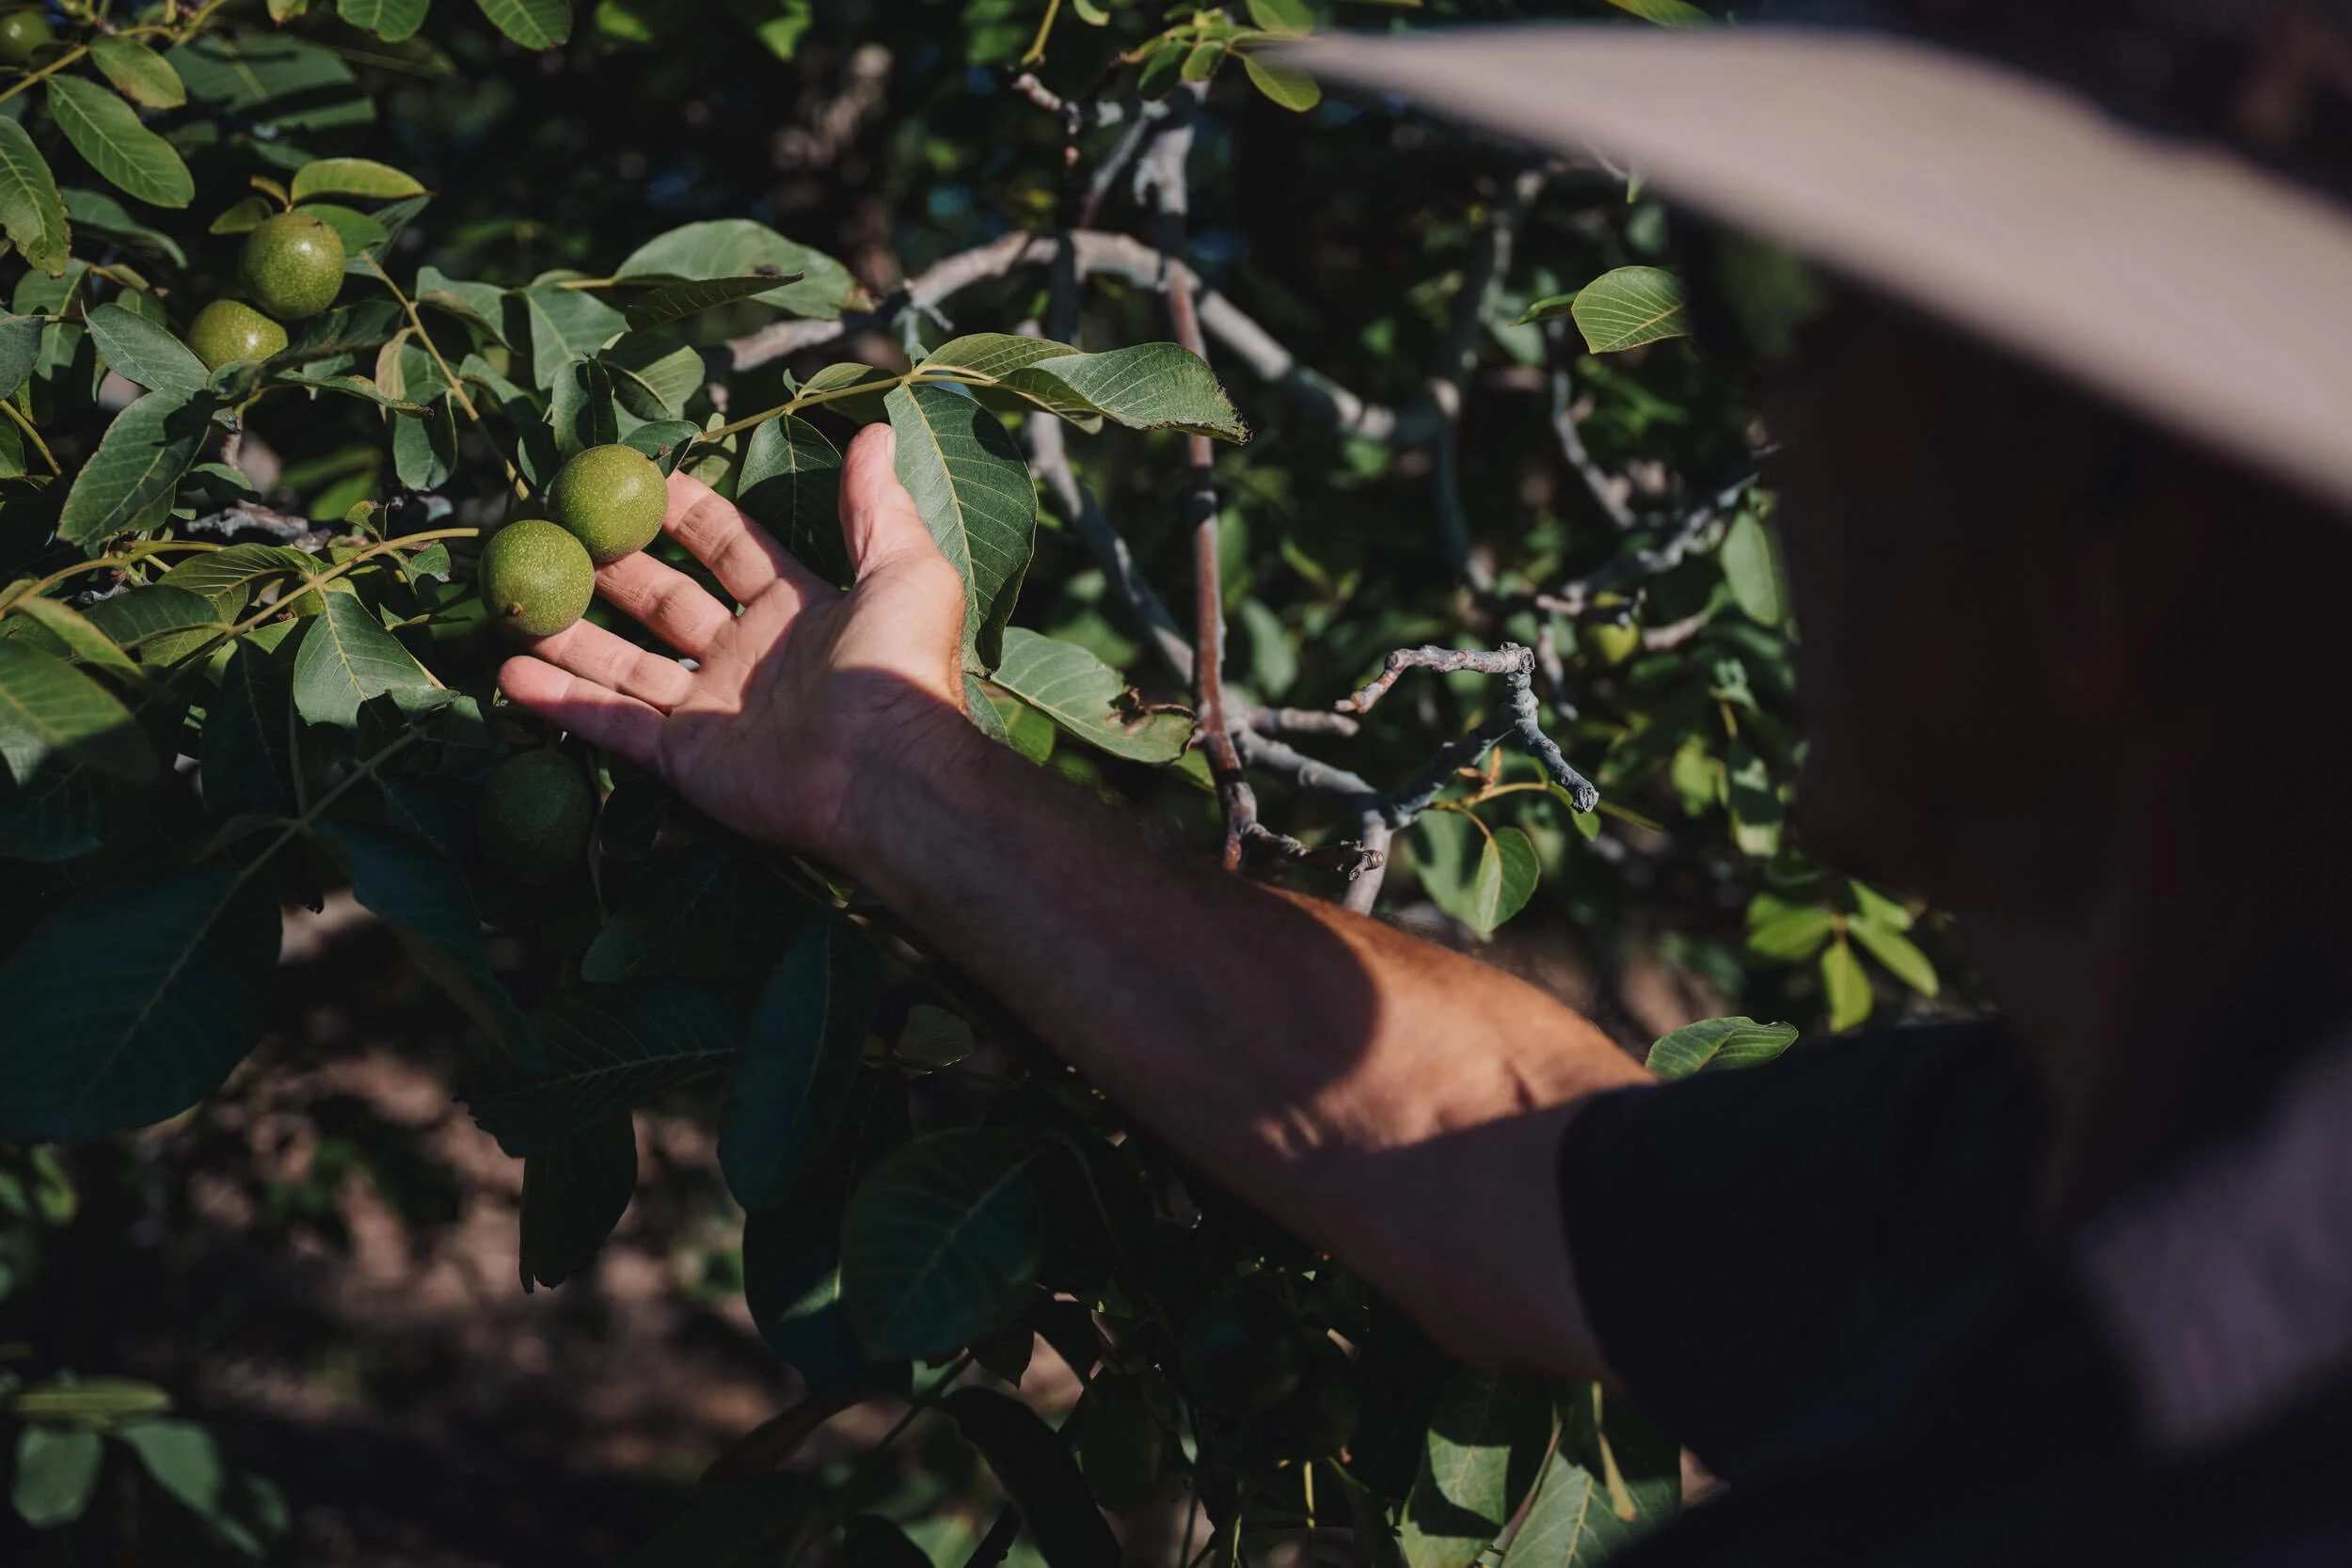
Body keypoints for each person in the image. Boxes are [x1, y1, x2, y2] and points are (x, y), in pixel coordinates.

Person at [499, 2, 2352, 1560]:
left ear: (2125, 551)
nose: (1763, 408)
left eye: (1802, 304)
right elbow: (1507, 1149)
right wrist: (888, 774)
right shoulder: (2037, 1167)